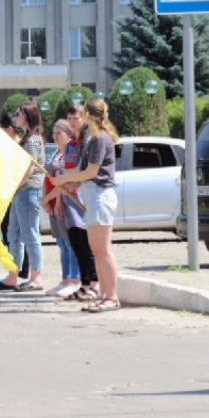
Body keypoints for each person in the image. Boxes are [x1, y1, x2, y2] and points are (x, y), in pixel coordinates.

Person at [53, 98, 122, 313]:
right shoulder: (92, 139)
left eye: (82, 115)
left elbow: (92, 172)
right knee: (98, 250)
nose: (78, 120)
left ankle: (112, 297)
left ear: (89, 116)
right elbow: (84, 175)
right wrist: (69, 184)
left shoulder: (100, 139)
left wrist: (64, 179)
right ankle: (104, 295)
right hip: (92, 194)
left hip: (101, 194)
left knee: (103, 250)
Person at [0, 102, 46, 291]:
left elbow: (30, 169)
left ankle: (36, 277)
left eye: (20, 113)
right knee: (13, 234)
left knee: (30, 234)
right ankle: (14, 275)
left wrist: (14, 185)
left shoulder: (33, 140)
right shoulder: (27, 138)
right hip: (20, 192)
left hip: (28, 191)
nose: (17, 116)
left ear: (28, 116)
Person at [62, 105, 100, 302]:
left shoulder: (88, 141)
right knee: (75, 241)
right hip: (70, 196)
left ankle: (93, 283)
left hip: (82, 196)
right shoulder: (72, 144)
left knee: (86, 243)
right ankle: (84, 284)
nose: (73, 120)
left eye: (76, 117)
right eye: (70, 117)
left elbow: (84, 169)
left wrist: (73, 182)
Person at [41, 120, 83, 298]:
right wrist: (51, 200)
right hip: (57, 201)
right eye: (53, 132)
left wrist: (50, 198)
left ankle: (75, 279)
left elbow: (65, 181)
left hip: (70, 201)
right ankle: (66, 279)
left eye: (59, 133)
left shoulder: (72, 154)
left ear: (68, 134)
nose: (55, 136)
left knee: (71, 242)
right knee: (62, 243)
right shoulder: (58, 153)